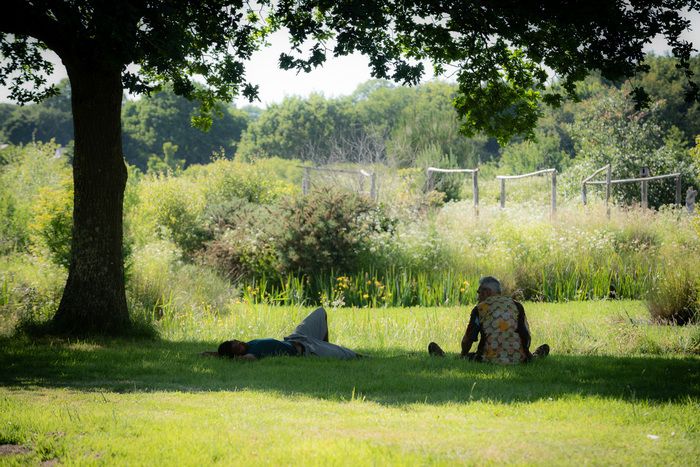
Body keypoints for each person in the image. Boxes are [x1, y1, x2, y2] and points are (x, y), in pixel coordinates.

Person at [428, 276, 550, 364]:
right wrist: (525, 355)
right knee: (530, 356)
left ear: (487, 292)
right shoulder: (516, 305)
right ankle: (535, 356)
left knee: (470, 357)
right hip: (520, 358)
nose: (478, 296)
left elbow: (468, 339)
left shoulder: (480, 308)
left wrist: (463, 354)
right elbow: (526, 336)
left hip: (487, 358)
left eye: (478, 292)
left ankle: (442, 357)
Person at [203, 307, 359, 360]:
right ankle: (325, 347)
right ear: (237, 355)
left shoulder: (249, 345)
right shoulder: (251, 355)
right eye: (237, 347)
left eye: (236, 341)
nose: (239, 343)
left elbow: (228, 353)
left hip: (297, 337)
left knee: (320, 313)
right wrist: (225, 357)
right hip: (306, 350)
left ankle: (325, 343)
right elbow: (245, 360)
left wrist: (212, 353)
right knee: (350, 355)